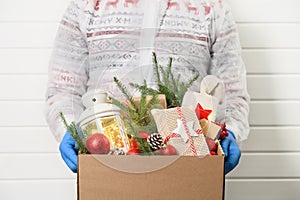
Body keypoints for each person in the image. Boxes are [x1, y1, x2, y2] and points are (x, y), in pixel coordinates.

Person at [45, 0, 250, 174]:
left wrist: (229, 130)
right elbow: (63, 88)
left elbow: (231, 91)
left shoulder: (211, 8)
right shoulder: (87, 6)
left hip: (189, 162)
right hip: (108, 159)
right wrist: (68, 128)